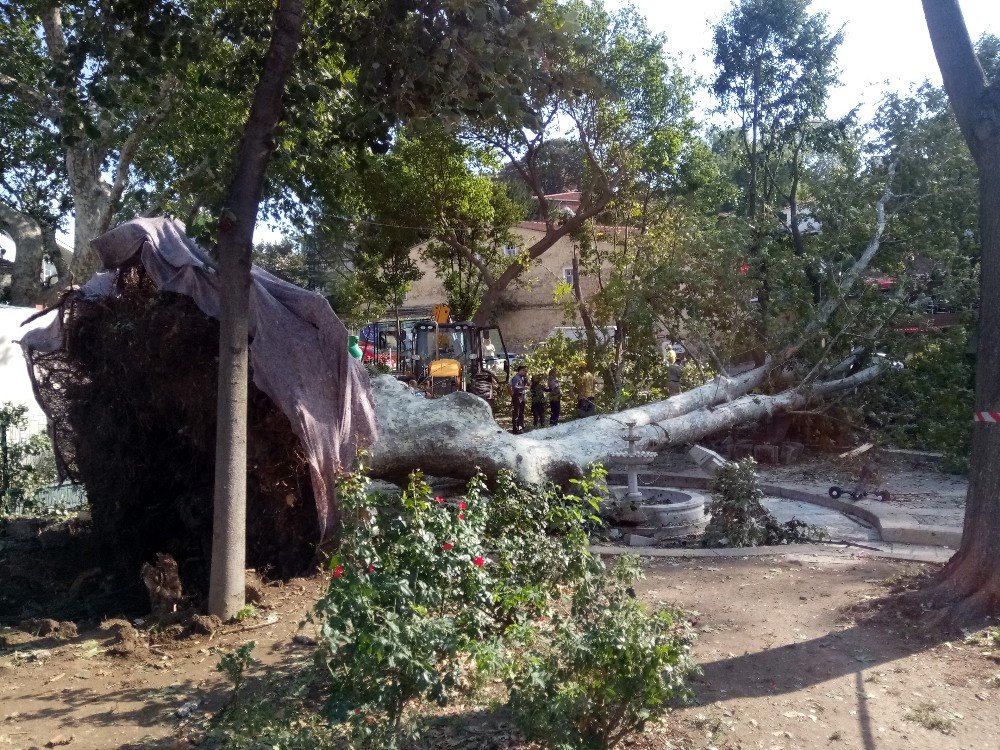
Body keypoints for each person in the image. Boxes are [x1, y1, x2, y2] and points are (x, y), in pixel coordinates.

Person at [509, 365, 528, 434]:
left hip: (522, 396)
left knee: (521, 413)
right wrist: (523, 388)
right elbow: (515, 387)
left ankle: (520, 427)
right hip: (517, 396)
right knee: (516, 413)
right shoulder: (516, 378)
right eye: (525, 371)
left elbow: (526, 385)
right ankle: (515, 428)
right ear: (521, 370)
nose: (526, 373)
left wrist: (526, 380)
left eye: (526, 371)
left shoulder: (522, 378)